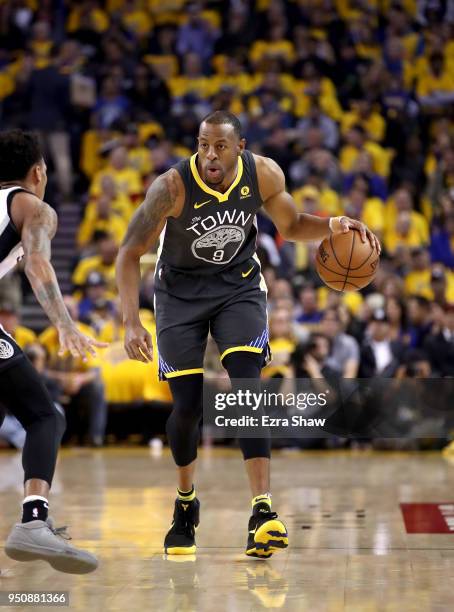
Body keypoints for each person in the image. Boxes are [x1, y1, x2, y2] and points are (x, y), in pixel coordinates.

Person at [116, 111, 380, 558]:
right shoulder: (172, 187)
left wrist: (333, 224)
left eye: (219, 145)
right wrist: (130, 321)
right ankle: (185, 506)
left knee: (247, 389)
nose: (209, 154)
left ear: (240, 147)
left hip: (237, 285)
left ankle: (262, 511)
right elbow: (128, 252)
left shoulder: (264, 173)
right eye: (202, 144)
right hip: (179, 293)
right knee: (186, 408)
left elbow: (293, 226)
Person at [0, 129, 106, 573]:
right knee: (45, 415)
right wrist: (65, 324)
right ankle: (33, 521)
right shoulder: (31, 205)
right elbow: (40, 262)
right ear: (39, 171)